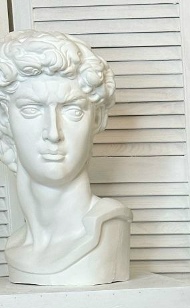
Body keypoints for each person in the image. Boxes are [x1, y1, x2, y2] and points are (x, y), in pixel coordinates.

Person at [0, 29, 131, 286]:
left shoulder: (106, 229)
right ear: (5, 121)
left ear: (96, 119)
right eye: (31, 109)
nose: (53, 133)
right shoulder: (16, 246)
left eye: (73, 110)